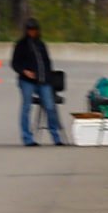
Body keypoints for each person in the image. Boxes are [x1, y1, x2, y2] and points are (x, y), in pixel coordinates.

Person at [9, 18, 66, 146]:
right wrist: (24, 71)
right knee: (26, 107)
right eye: (30, 29)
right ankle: (27, 138)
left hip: (43, 81)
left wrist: (48, 77)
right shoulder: (21, 45)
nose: (32, 32)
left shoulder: (41, 45)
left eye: (34, 29)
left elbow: (47, 63)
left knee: (50, 107)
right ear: (26, 30)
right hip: (27, 81)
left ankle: (56, 137)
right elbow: (14, 63)